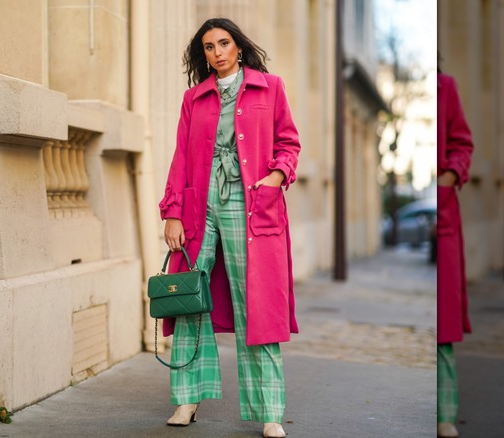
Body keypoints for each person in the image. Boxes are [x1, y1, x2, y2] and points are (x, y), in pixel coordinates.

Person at [158, 17, 300, 438]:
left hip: (251, 202)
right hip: (202, 205)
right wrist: (173, 212)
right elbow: (181, 155)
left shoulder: (268, 88)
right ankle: (187, 399)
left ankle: (269, 411)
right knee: (189, 301)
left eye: (223, 43)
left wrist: (276, 176)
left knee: (256, 305)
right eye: (208, 47)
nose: (217, 52)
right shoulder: (193, 99)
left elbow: (288, 142)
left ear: (238, 47)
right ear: (202, 55)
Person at [436, 71, 474, 438]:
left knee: (443, 319)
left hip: (444, 210)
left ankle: (444, 415)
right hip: (439, 205)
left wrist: (448, 178)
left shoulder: (445, 86)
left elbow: (462, 143)